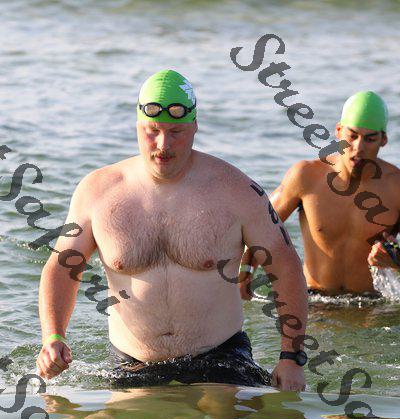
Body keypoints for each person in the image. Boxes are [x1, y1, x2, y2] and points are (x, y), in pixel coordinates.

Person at [36, 69, 308, 391]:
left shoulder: (237, 191)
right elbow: (62, 267)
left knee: (218, 418)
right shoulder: (97, 191)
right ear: (137, 126)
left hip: (221, 359)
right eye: (153, 131)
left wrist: (291, 357)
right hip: (131, 361)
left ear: (195, 126)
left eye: (176, 132)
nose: (163, 145)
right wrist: (53, 337)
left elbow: (285, 265)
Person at [240, 91, 400, 299]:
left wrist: (395, 260)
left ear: (383, 140)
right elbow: (258, 228)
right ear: (339, 131)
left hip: (370, 305)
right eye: (352, 136)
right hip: (315, 301)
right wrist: (244, 274)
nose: (358, 147)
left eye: (370, 139)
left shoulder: (396, 187)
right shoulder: (306, 176)